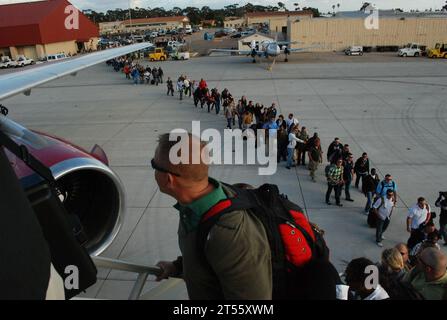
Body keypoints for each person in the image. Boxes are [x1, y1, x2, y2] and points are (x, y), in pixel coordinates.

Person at [152, 133, 272, 299]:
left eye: (154, 164)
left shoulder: (231, 235)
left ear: (168, 178)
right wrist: (179, 266)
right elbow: (208, 255)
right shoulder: (195, 204)